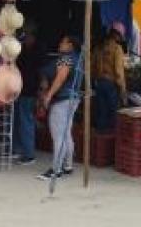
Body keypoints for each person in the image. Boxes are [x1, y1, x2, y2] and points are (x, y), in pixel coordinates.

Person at [37, 34, 83, 181]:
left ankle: (56, 169)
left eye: (63, 42)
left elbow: (60, 78)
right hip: (73, 99)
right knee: (66, 133)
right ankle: (68, 165)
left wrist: (49, 95)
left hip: (62, 99)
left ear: (70, 45)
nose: (60, 43)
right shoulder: (77, 59)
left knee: (58, 135)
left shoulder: (66, 58)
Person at [14, 22, 43, 165]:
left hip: (29, 90)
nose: (24, 37)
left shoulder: (36, 51)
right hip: (20, 88)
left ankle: (29, 154)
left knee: (26, 121)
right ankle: (19, 149)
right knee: (20, 120)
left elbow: (36, 73)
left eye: (26, 35)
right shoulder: (24, 49)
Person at [91, 22, 127, 132]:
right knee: (113, 114)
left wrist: (95, 80)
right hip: (111, 85)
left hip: (99, 83)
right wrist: (123, 91)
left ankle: (101, 137)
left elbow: (92, 66)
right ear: (117, 35)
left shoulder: (98, 47)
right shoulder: (117, 49)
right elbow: (119, 73)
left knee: (101, 113)